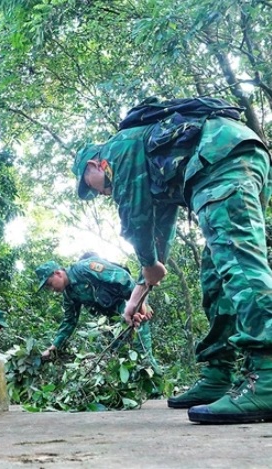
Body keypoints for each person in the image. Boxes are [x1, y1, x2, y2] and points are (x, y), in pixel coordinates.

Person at [72, 102, 272, 423]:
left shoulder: (118, 149)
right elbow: (159, 232)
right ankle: (218, 375)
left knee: (238, 265)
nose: (100, 194)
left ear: (95, 164)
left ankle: (267, 375)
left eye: (91, 187)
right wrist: (138, 296)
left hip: (220, 161)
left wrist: (149, 263)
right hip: (228, 158)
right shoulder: (146, 162)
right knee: (216, 278)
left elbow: (135, 217)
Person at [34, 257, 161, 374]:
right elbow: (69, 322)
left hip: (131, 306)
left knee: (141, 351)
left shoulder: (85, 268)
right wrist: (53, 348)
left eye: (50, 284)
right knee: (119, 356)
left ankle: (157, 394)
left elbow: (123, 277)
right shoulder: (69, 295)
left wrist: (141, 303)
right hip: (113, 322)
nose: (51, 289)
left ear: (58, 273)